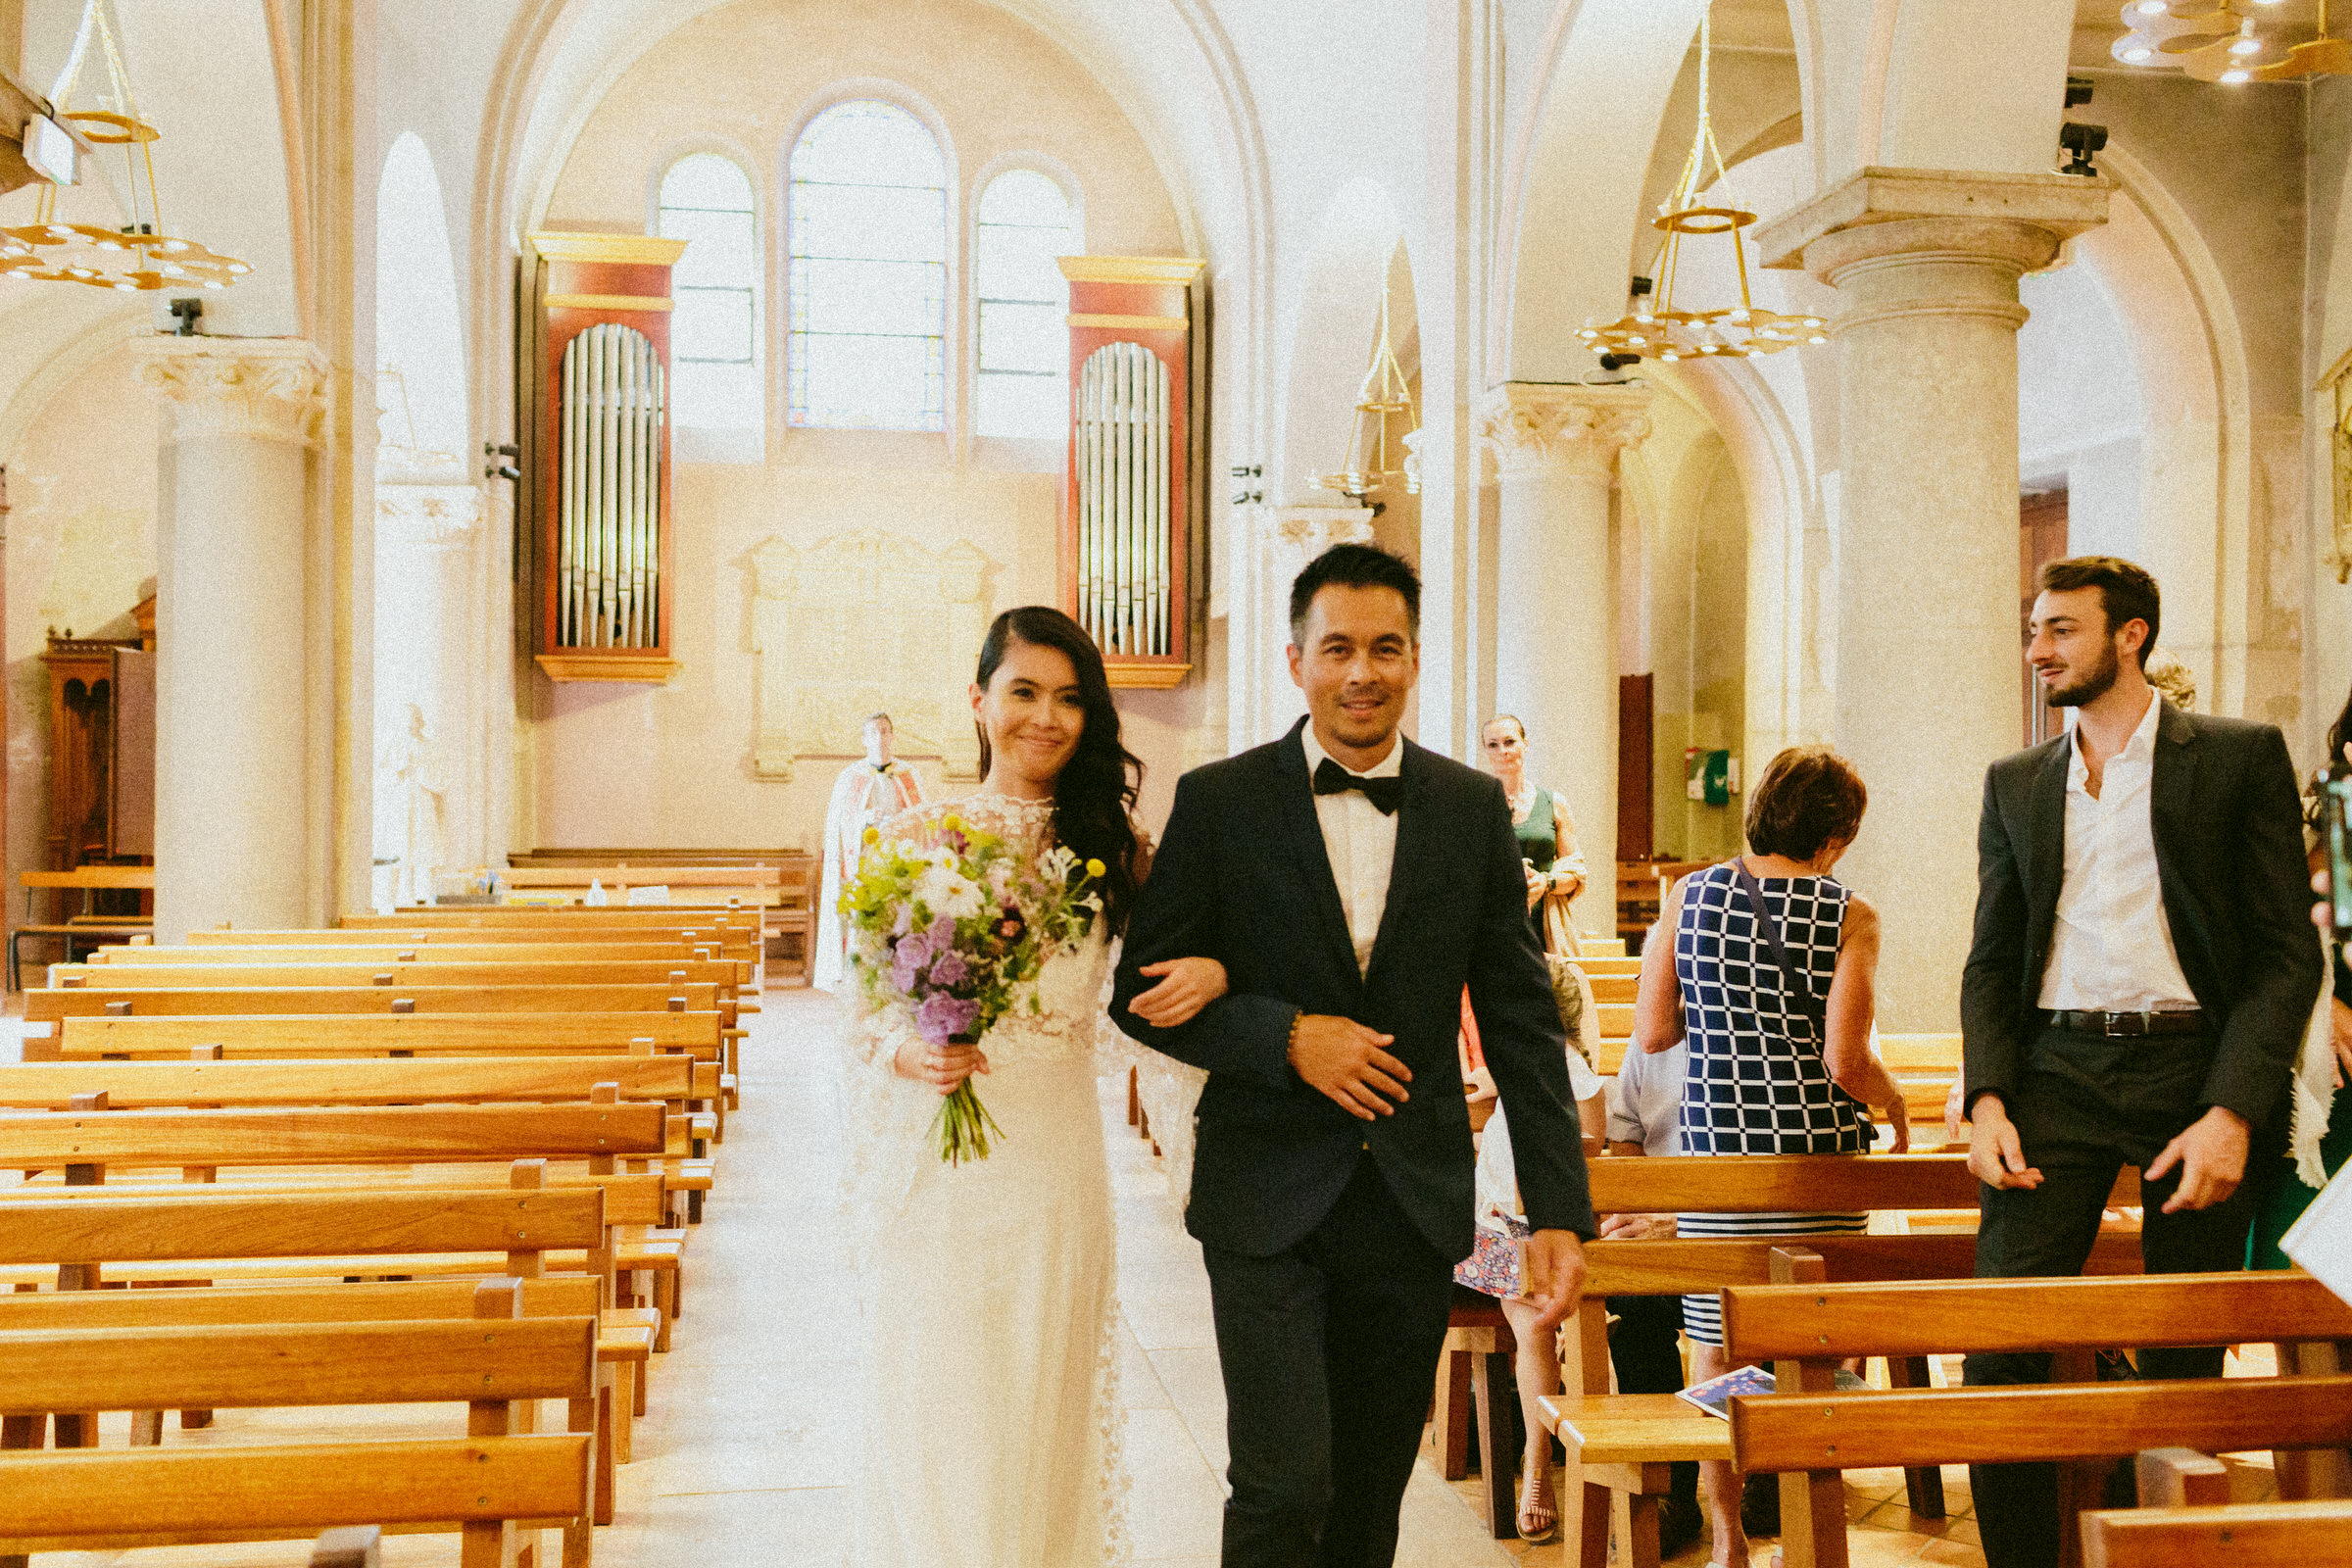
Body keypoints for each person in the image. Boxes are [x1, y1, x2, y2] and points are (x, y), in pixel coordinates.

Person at [1110, 542, 1594, 1568]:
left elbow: (1519, 1020)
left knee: (1372, 1495)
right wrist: (1285, 1035)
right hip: (1265, 1192)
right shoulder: (1222, 802)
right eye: (1338, 648)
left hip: (1412, 1198)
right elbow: (1139, 995)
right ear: (1297, 661)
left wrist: (1557, 1209)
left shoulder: (1469, 810)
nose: (1361, 671)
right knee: (1286, 1482)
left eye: (1385, 648)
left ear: (1415, 659)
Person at [839, 607, 1226, 1568]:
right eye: (1023, 692)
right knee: (936, 1404)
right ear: (979, 701)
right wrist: (909, 1052)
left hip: (1054, 1170)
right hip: (939, 1173)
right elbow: (862, 1016)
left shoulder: (1116, 845)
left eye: (1069, 698)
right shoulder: (915, 835)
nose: (1045, 717)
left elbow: (1171, 979)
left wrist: (1214, 974)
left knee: (1038, 1404)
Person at [1960, 557, 2323, 1568]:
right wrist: (1986, 1093)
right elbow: (1991, 956)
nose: (2038, 650)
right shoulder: (2016, 781)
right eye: (2035, 629)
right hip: (2055, 1072)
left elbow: (2286, 952)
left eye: (2062, 630)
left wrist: (2235, 1109)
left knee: (2181, 1351)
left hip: (2190, 1076)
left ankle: (2167, 1554)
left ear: (2132, 636)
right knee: (2001, 1350)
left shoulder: (2238, 757)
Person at [1632, 744, 1911, 1568]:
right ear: (1835, 833)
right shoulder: (1849, 913)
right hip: (1816, 1157)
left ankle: (1728, 1540)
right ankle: (1807, 1528)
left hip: (1720, 1153)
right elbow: (1846, 1063)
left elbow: (1652, 1032)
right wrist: (1893, 1100)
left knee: (1716, 1350)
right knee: (1815, 1347)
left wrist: (1726, 1030)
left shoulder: (1689, 896)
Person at [1453, 1031, 1605, 1544]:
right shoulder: (1497, 1064)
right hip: (1496, 1231)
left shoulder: (1569, 1068)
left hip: (1559, 1226)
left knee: (1573, 1324)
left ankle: (1589, 1468)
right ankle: (1538, 1470)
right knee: (1538, 1327)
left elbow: (1593, 1147)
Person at [2247, 682, 2352, 1265]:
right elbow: (2271, 945)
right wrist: (2321, 1002)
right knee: (2305, 1274)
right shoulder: (2326, 838)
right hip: (2335, 1087)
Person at [1597, 1028, 1705, 1557]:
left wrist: (1687, 1221)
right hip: (1665, 1234)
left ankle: (1770, 1474)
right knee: (1636, 1302)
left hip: (1751, 1233)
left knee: (1763, 1307)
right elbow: (1626, 1137)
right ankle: (1670, 1491)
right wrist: (1646, 1211)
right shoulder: (1653, 1037)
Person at [816, 712, 928, 991]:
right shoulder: (850, 776)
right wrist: (864, 819)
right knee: (864, 922)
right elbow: (838, 824)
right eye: (873, 733)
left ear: (892, 736)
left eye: (884, 731)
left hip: (898, 861)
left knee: (897, 920)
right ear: (864, 740)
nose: (879, 737)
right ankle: (860, 979)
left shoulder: (909, 775)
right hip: (864, 864)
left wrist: (899, 822)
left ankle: (900, 980)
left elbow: (922, 819)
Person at [1481, 714, 1590, 955]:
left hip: (1544, 927)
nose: (1503, 751)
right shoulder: (1472, 804)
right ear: (1486, 751)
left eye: (1510, 742)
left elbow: (1576, 873)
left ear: (1525, 745)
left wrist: (1545, 882)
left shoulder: (1554, 803)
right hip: (1490, 925)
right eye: (1493, 744)